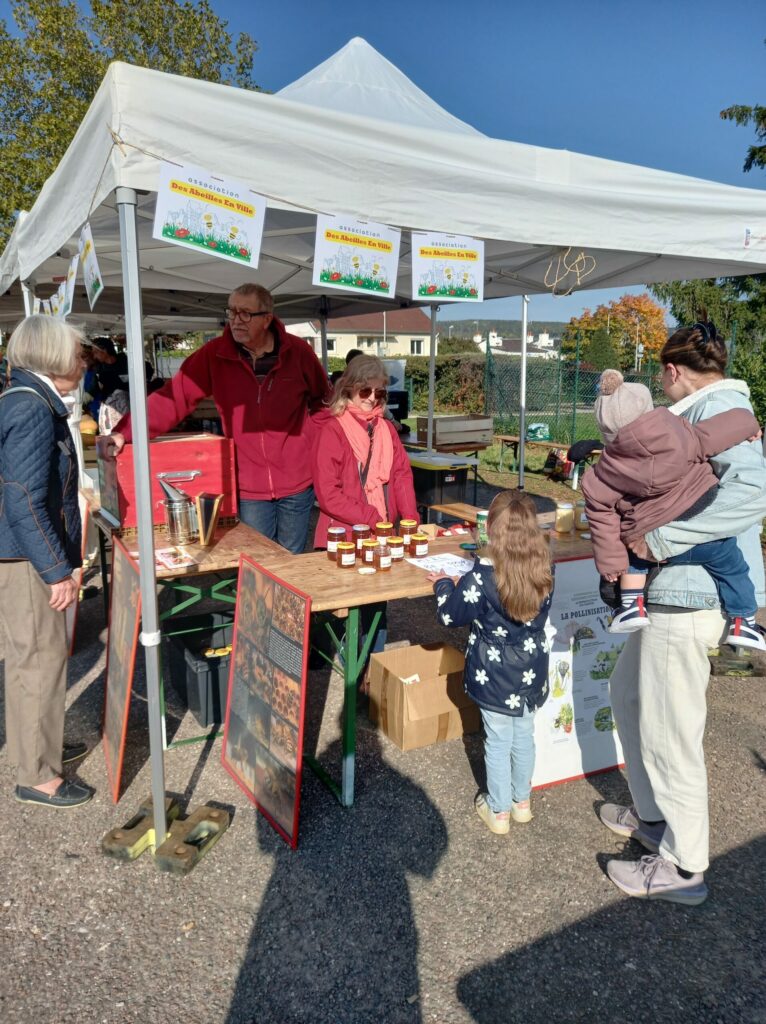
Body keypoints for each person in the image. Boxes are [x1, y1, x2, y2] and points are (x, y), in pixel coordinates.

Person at [598, 319, 766, 905]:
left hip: (688, 597)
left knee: (672, 731)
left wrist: (659, 541)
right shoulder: (713, 410)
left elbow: (754, 493)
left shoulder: (712, 415)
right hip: (673, 595)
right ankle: (653, 816)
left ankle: (684, 865)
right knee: (629, 696)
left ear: (673, 372)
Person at [99, 284, 331, 554]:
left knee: (292, 559)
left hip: (298, 482)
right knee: (258, 562)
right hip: (249, 485)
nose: (235, 320)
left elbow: (323, 402)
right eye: (231, 312)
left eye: (245, 313)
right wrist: (126, 432)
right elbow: (174, 397)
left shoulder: (298, 352)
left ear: (267, 318)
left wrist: (311, 444)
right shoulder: (216, 354)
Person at [582, 367, 764, 649]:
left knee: (631, 557)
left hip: (650, 546)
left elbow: (601, 517)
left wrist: (611, 566)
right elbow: (717, 433)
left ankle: (632, 606)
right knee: (735, 567)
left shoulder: (601, 474)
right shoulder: (679, 433)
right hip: (701, 525)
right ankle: (744, 622)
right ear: (647, 409)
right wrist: (749, 424)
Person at [0, 315, 93, 808]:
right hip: (26, 557)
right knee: (40, 661)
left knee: (26, 660)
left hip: (20, 553)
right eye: (78, 351)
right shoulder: (32, 407)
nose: (84, 359)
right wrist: (56, 568)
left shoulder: (24, 399)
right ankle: (38, 774)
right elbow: (23, 497)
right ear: (54, 355)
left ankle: (37, 751)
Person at [427, 490, 554, 834]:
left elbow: (449, 616)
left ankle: (498, 811)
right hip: (531, 667)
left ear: (491, 532)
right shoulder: (543, 570)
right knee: (524, 734)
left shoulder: (481, 579)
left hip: (495, 672)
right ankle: (521, 802)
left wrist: (442, 583)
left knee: (497, 740)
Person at [312, 354, 419, 660]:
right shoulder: (331, 431)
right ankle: (351, 675)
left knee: (378, 606)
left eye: (380, 393)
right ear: (347, 391)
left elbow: (401, 477)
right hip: (344, 535)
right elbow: (327, 494)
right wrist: (371, 516)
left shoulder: (387, 430)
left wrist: (410, 522)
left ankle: (374, 672)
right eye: (365, 392)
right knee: (346, 611)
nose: (373, 399)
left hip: (379, 534)